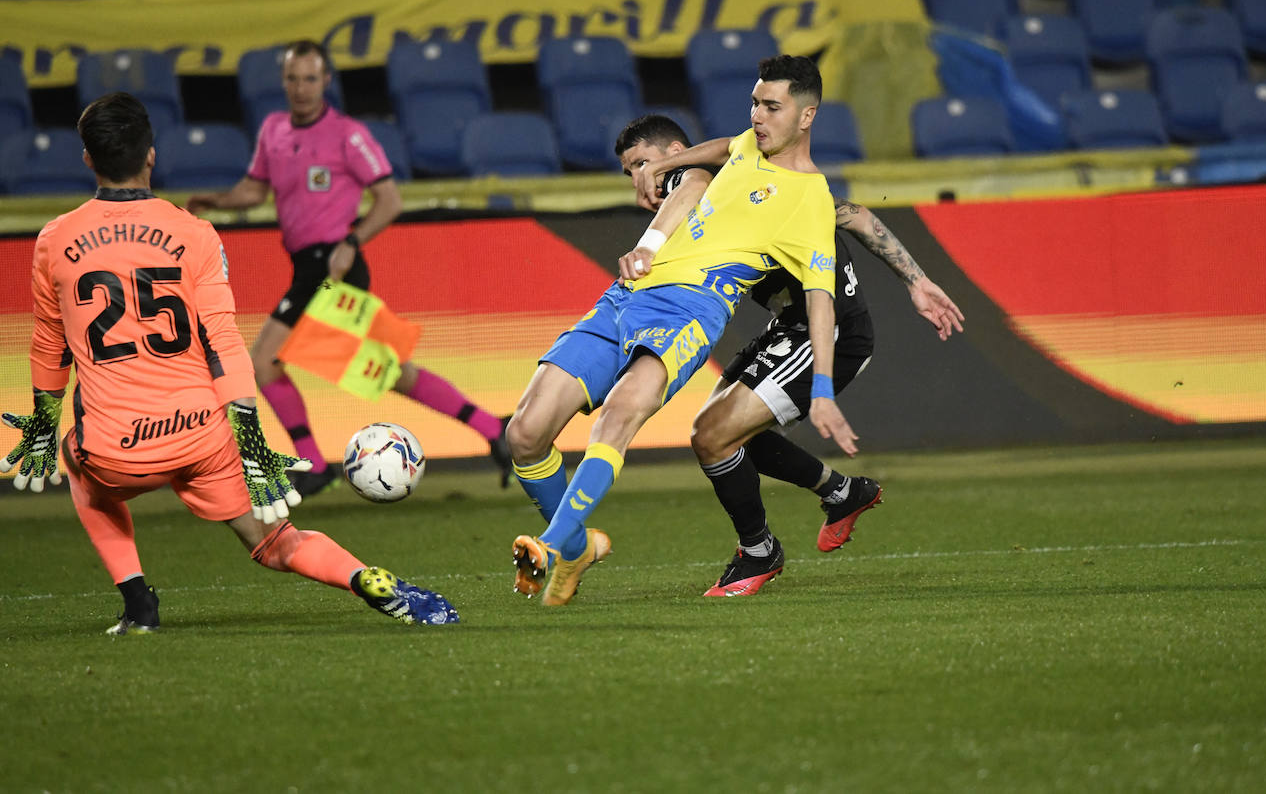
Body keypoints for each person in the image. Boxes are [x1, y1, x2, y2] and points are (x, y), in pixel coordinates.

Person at [1, 92, 459, 631]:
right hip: (203, 435)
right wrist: (252, 441)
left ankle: (138, 603)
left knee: (76, 461)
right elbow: (222, 343)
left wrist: (40, 425)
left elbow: (49, 347)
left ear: (87, 158)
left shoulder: (55, 240)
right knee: (276, 541)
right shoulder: (194, 234)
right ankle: (364, 578)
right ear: (151, 155)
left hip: (118, 449)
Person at [505, 55, 853, 606]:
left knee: (621, 412)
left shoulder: (809, 200)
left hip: (690, 310)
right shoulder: (743, 148)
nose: (757, 117)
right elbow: (720, 147)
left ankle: (549, 545)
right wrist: (655, 167)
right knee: (523, 434)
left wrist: (826, 390)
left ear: (806, 117)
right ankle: (576, 547)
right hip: (622, 299)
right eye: (754, 104)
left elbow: (820, 299)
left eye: (771, 107)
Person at [618, 116, 965, 596]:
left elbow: (854, 215)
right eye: (629, 172)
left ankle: (759, 552)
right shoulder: (727, 184)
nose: (639, 178)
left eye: (641, 164)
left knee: (714, 435)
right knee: (723, 433)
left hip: (830, 331)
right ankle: (844, 493)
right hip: (787, 326)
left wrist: (917, 281)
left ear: (676, 150)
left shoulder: (765, 188)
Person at [185, 40, 510, 496]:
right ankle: (493, 429)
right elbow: (254, 192)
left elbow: (390, 200)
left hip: (335, 267)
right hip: (307, 267)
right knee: (385, 370)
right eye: (294, 79)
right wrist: (214, 201)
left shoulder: (347, 135)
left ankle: (315, 464)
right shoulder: (274, 130)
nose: (301, 88)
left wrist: (352, 240)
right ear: (284, 82)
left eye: (310, 79)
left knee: (264, 361)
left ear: (326, 82)